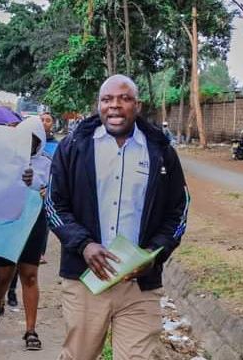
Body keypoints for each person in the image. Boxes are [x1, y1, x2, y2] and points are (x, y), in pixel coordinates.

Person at [48, 75, 189, 360]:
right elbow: (54, 203)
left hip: (138, 285)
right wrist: (84, 245)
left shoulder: (160, 152)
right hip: (86, 280)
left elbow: (178, 210)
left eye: (124, 99)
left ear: (137, 105)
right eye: (107, 99)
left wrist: (153, 253)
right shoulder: (75, 146)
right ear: (98, 105)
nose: (115, 106)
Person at [0, 116, 52, 351]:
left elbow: (47, 187)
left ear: (39, 142)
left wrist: (34, 181)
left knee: (30, 275)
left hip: (34, 221)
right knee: (2, 275)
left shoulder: (45, 162)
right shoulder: (4, 160)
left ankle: (30, 330)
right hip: (7, 221)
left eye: (33, 141)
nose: (28, 145)